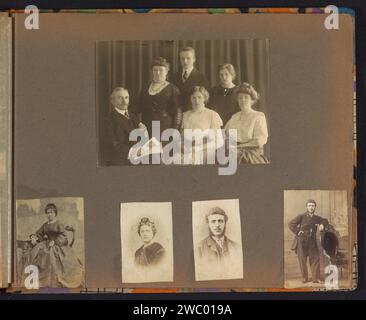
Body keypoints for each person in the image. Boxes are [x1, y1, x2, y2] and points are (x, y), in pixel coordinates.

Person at [27, 203, 84, 288]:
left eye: (51, 212)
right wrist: (35, 238)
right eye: (48, 212)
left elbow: (64, 236)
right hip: (47, 243)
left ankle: (54, 279)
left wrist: (55, 241)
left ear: (55, 213)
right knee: (38, 252)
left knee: (51, 255)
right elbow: (39, 233)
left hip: (58, 245)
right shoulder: (45, 225)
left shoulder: (58, 224)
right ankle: (42, 277)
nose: (50, 214)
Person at [136, 57, 182, 138]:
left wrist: (175, 130)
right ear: (152, 72)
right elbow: (136, 108)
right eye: (155, 70)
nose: (158, 72)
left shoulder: (172, 89)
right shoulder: (145, 88)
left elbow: (178, 111)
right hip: (146, 127)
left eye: (161, 70)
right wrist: (139, 123)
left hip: (164, 128)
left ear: (167, 71)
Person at [224, 82, 269, 164]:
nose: (243, 100)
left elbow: (259, 141)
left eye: (246, 97)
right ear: (237, 100)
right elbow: (225, 134)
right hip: (234, 150)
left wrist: (238, 147)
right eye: (240, 97)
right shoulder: (234, 117)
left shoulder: (258, 116)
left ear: (252, 100)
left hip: (252, 152)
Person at [288, 200, 329, 284]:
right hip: (301, 241)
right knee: (302, 260)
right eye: (309, 206)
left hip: (312, 242)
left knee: (315, 259)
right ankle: (304, 278)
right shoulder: (301, 216)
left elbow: (325, 220)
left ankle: (315, 278)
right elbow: (291, 224)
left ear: (315, 207)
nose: (311, 207)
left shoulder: (316, 218)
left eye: (313, 206)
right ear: (306, 207)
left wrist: (322, 224)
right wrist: (297, 231)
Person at [180, 86, 223, 164]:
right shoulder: (185, 115)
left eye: (199, 97)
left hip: (205, 150)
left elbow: (218, 141)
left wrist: (197, 148)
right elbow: (181, 138)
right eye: (194, 98)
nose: (197, 101)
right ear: (190, 99)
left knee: (188, 162)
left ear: (204, 98)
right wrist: (183, 147)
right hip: (187, 150)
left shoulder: (212, 114)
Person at [105, 87, 146, 165]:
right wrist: (133, 151)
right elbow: (114, 144)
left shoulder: (131, 114)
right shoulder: (109, 120)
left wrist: (142, 127)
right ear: (112, 101)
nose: (124, 101)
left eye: (126, 98)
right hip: (122, 161)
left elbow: (139, 127)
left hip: (140, 157)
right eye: (120, 98)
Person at [171, 47, 209, 112]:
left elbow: (204, 100)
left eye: (188, 58)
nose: (185, 61)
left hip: (193, 113)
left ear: (194, 59)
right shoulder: (174, 77)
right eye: (182, 59)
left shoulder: (201, 77)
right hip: (176, 114)